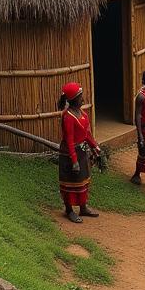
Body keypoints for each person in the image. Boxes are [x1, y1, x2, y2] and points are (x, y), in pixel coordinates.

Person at [58, 81, 102, 224]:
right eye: (79, 97)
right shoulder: (68, 117)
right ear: (72, 100)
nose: (82, 99)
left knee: (83, 180)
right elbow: (69, 140)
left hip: (82, 152)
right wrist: (74, 160)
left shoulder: (82, 113)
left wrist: (95, 147)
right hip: (70, 154)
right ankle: (69, 210)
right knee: (70, 182)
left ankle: (83, 207)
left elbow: (86, 134)